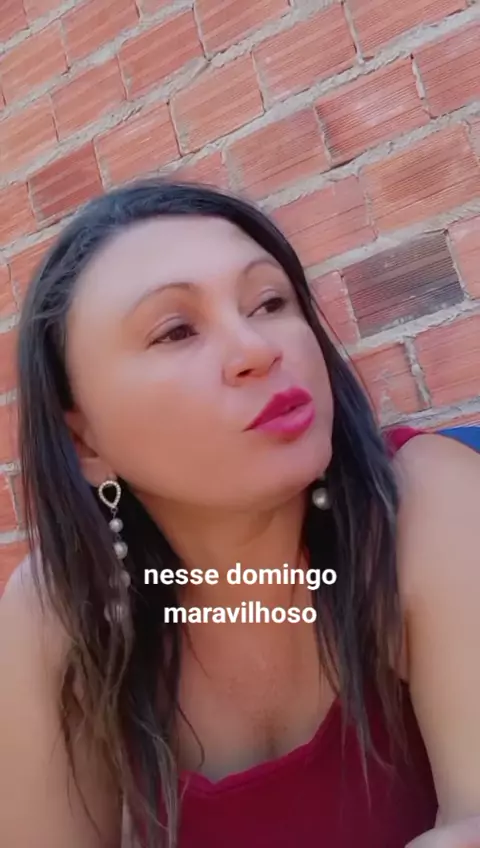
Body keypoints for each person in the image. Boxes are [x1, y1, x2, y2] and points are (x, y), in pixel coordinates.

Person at [0, 180, 479, 848]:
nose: (257, 348)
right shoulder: (60, 613)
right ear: (85, 442)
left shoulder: (422, 500)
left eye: (270, 302)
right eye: (175, 330)